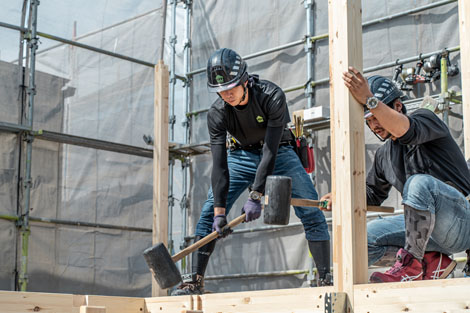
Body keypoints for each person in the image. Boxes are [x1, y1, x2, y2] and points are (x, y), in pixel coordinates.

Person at [172, 48, 331, 295]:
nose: (226, 95)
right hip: (240, 156)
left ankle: (325, 278)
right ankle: (194, 281)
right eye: (221, 91)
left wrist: (255, 195)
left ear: (245, 80)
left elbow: (269, 151)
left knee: (311, 208)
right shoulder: (217, 113)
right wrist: (220, 213)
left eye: (231, 89)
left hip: (280, 152)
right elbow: (220, 166)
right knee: (207, 214)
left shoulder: (271, 96)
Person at [321, 67, 470, 283]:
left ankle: (412, 266)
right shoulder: (384, 155)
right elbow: (372, 193)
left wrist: (370, 100)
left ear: (398, 106)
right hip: (427, 234)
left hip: (461, 221)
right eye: (369, 121)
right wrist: (342, 195)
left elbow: (406, 131)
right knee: (362, 241)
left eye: (376, 116)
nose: (374, 125)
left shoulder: (426, 119)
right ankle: (430, 263)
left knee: (419, 184)